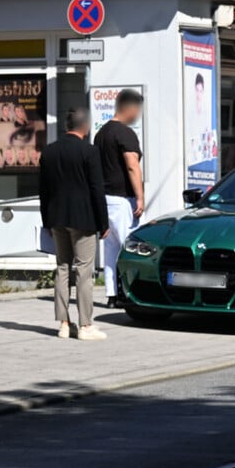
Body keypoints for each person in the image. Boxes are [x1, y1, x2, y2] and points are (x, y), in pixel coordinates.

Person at [39, 109, 109, 340]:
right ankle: (86, 325)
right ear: (85, 127)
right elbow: (97, 190)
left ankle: (64, 324)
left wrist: (47, 221)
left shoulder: (49, 152)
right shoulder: (89, 152)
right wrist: (103, 222)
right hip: (84, 219)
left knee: (62, 268)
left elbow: (43, 191)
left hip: (57, 218)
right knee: (83, 271)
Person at [94, 89, 145, 308]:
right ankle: (128, 292)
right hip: (123, 199)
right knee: (130, 247)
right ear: (130, 108)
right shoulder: (125, 134)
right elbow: (132, 166)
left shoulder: (101, 134)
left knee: (111, 248)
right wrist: (140, 197)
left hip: (104, 199)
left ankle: (112, 295)